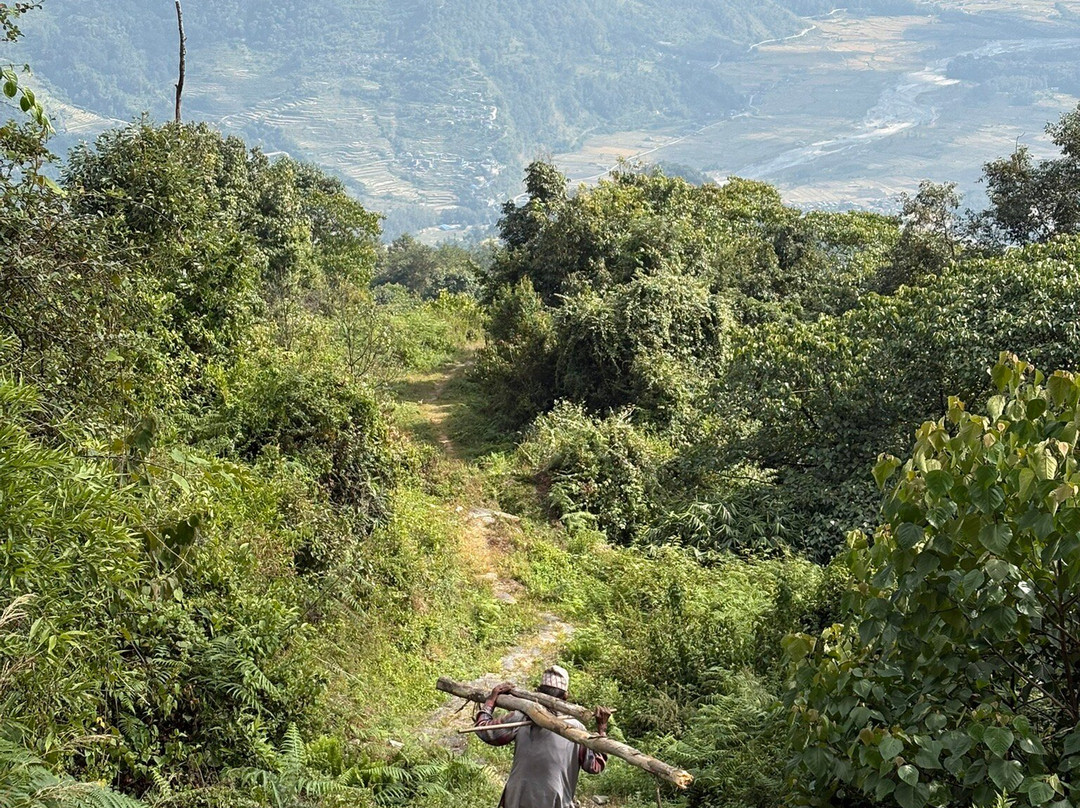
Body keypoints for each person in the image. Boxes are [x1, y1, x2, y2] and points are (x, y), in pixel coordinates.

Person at [474, 665, 613, 808]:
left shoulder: (521, 718)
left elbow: (485, 730)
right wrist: (602, 730)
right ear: (565, 697)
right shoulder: (576, 730)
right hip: (555, 803)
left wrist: (491, 700)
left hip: (516, 801)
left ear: (537, 693)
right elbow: (595, 766)